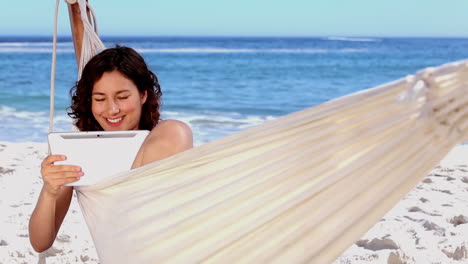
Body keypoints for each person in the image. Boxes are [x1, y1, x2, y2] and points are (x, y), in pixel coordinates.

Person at [28, 46, 193, 252]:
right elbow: (40, 242)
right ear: (89, 101)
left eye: (122, 97)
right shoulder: (77, 151)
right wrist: (49, 192)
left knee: (174, 129)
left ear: (143, 95)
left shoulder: (167, 139)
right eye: (99, 99)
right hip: (125, 255)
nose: (112, 109)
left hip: (166, 251)